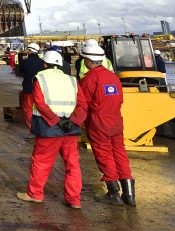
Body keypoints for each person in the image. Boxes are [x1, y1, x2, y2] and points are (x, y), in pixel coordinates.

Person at [16, 50, 83, 209]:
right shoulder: (72, 81)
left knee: (41, 162)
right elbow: (82, 105)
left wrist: (55, 121)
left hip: (48, 129)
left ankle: (35, 194)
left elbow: (39, 102)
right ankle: (74, 199)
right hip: (69, 129)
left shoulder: (41, 78)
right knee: (72, 165)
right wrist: (71, 122)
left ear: (44, 64)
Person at [70, 47, 135, 206]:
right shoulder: (113, 77)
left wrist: (73, 123)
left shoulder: (89, 79)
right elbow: (119, 100)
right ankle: (129, 195)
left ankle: (113, 192)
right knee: (120, 153)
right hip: (116, 121)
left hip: (99, 123)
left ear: (88, 61)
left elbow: (82, 104)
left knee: (104, 155)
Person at [17, 43, 44, 129]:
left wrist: (20, 56)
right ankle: (41, 127)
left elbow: (20, 72)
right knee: (40, 108)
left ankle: (32, 129)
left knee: (27, 109)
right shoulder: (43, 62)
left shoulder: (25, 62)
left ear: (30, 51)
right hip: (41, 90)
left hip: (29, 89)